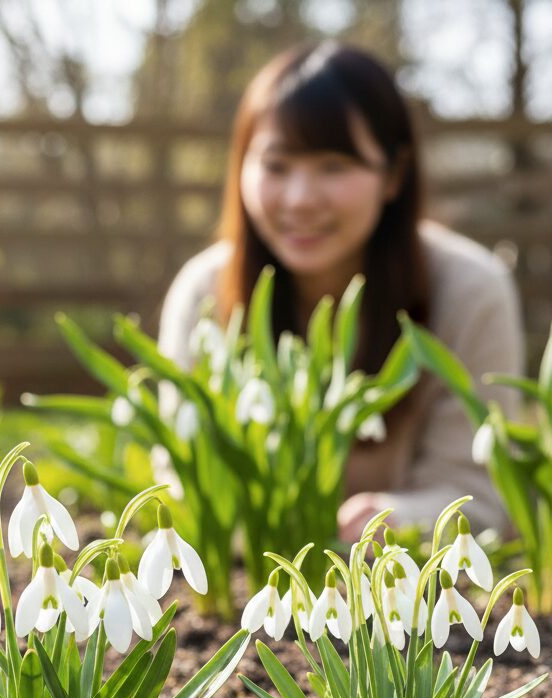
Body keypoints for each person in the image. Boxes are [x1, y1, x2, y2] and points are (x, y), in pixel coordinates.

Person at [157, 41, 524, 540]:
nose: (301, 199)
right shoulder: (204, 293)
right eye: (276, 166)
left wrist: (396, 519)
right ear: (240, 167)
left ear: (393, 175)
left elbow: (480, 491)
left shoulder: (469, 291)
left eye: (334, 166)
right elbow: (185, 483)